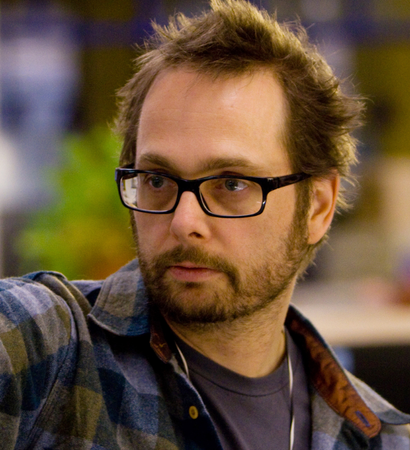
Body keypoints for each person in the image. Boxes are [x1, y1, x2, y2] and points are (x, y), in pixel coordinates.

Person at [1, 0, 409, 449]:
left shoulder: (376, 438)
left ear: (317, 207)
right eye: (158, 180)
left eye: (232, 184)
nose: (183, 221)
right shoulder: (47, 348)